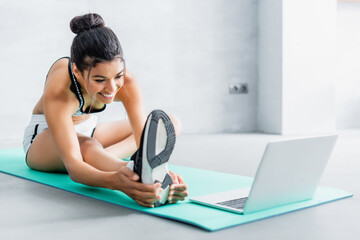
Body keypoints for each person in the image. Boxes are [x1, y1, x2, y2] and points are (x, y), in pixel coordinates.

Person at [22, 13, 188, 208]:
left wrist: (163, 173)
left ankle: (107, 161)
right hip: (43, 140)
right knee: (89, 147)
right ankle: (131, 170)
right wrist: (117, 182)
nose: (112, 88)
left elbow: (144, 141)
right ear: (77, 71)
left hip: (90, 132)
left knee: (170, 122)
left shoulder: (127, 82)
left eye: (118, 76)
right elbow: (74, 168)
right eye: (99, 80)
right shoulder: (61, 90)